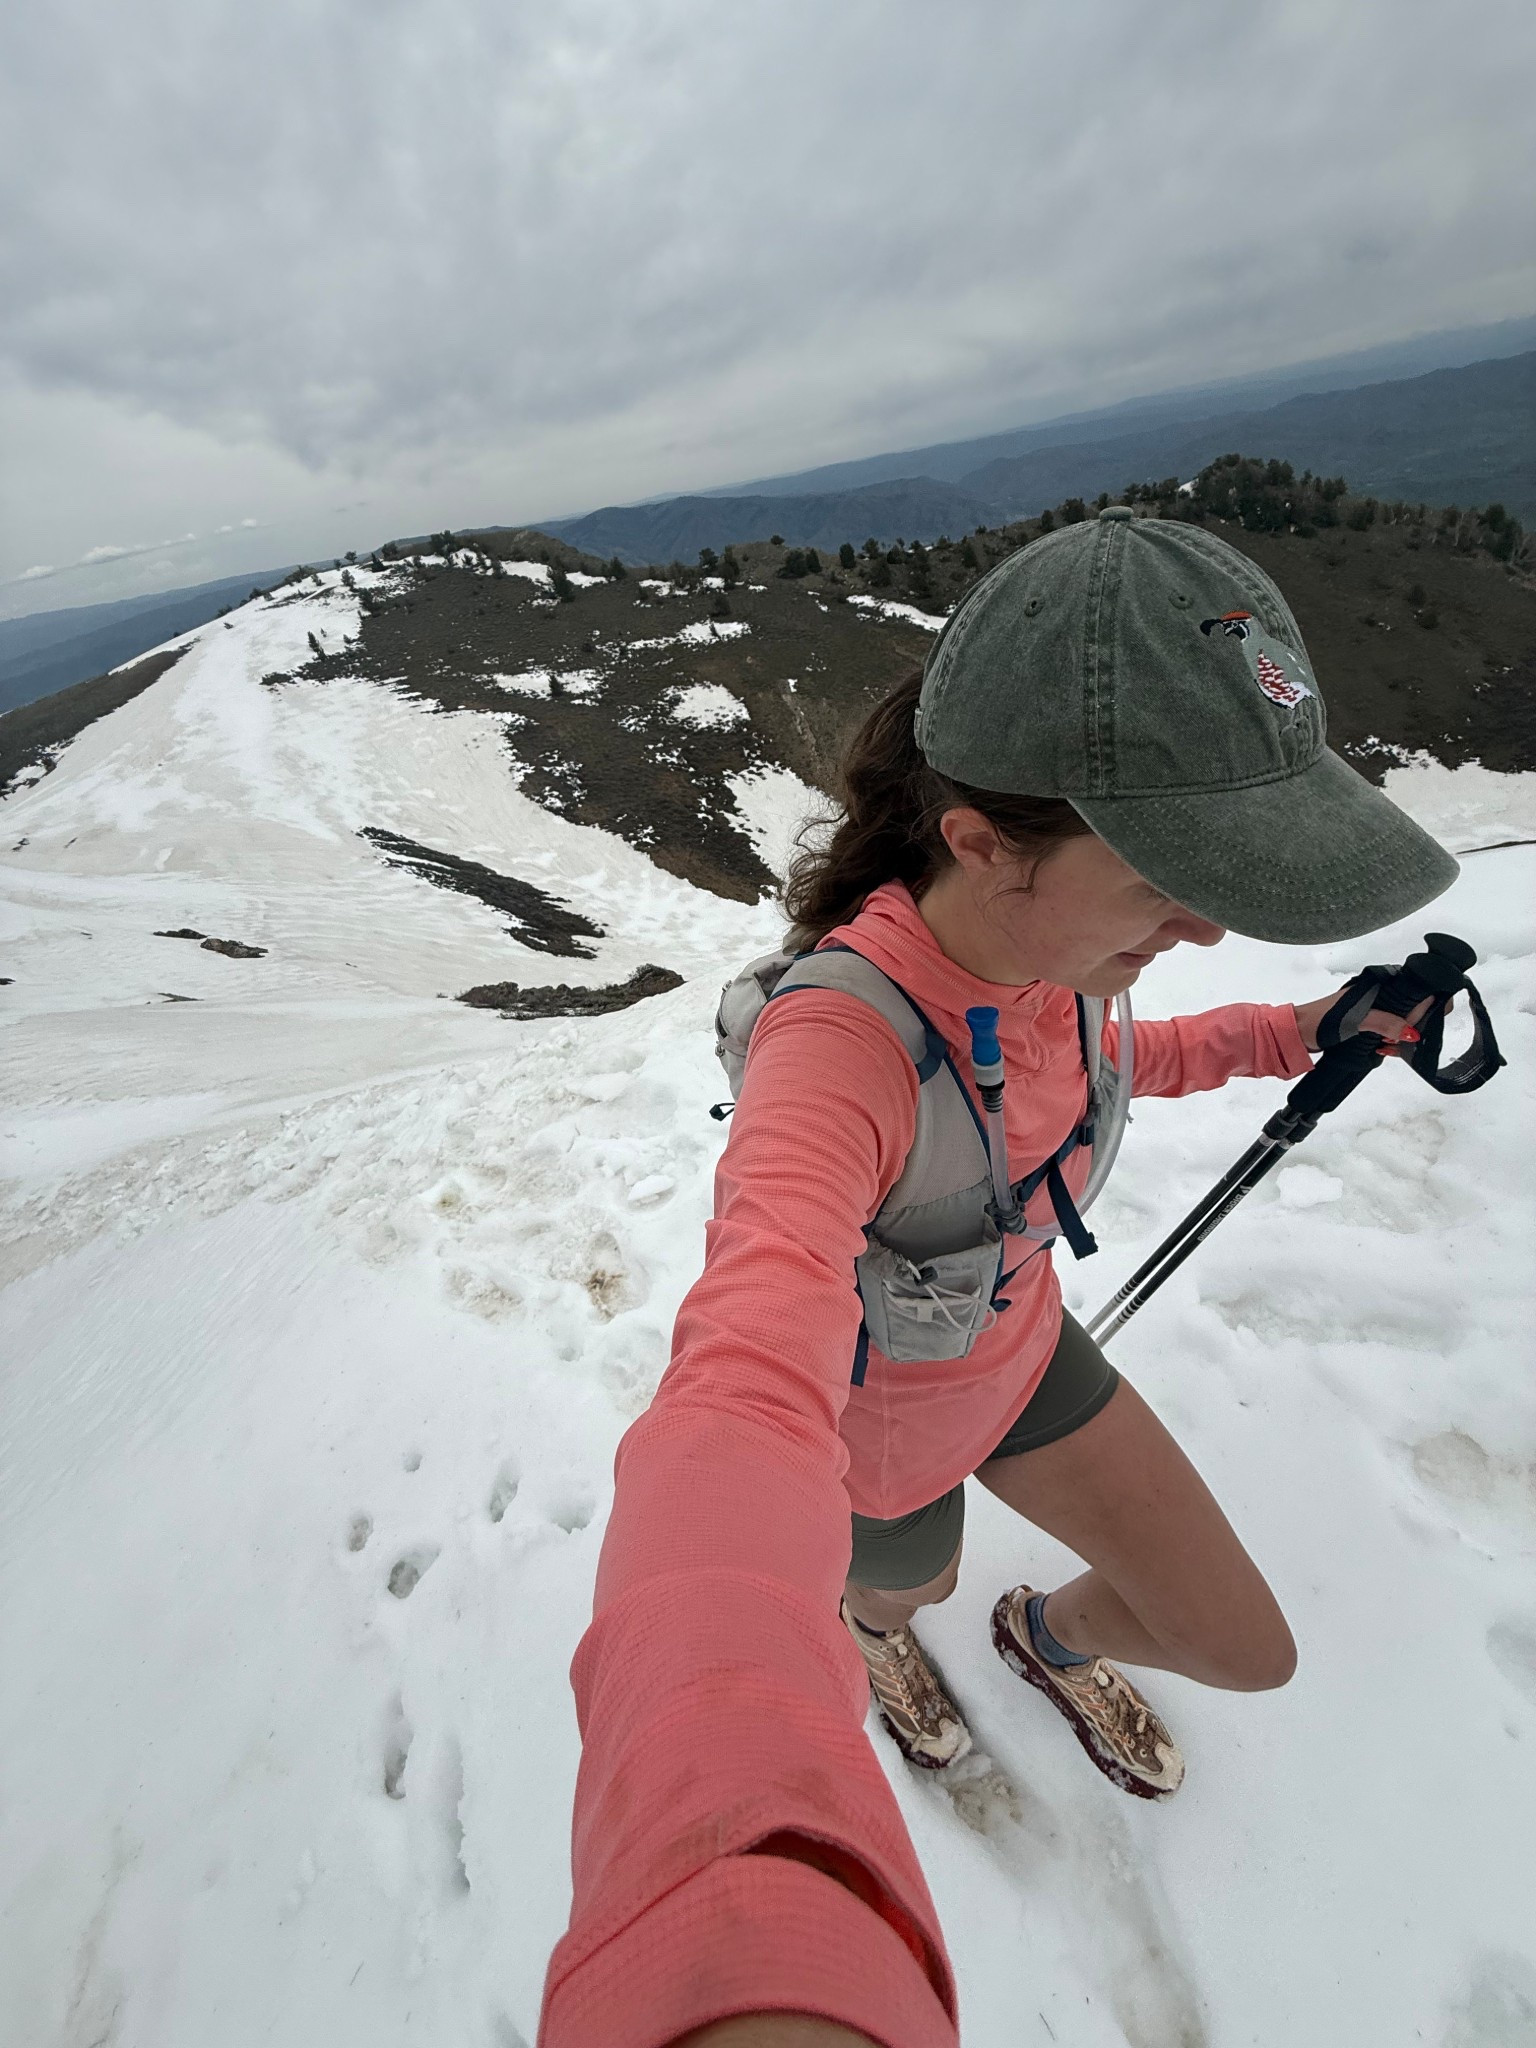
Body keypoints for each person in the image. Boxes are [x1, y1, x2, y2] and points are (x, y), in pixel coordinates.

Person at [537, 509, 1458, 2048]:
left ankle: (1050, 1641)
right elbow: (741, 1364)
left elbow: (1102, 1072)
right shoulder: (837, 1045)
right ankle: (881, 1627)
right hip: (877, 1437)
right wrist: (718, 1864)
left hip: (1023, 1356)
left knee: (1246, 1645)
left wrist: (1300, 1033)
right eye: (1169, 871)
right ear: (977, 838)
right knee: (907, 1583)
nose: (1206, 920)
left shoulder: (1047, 958)